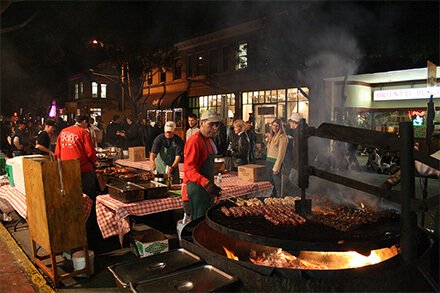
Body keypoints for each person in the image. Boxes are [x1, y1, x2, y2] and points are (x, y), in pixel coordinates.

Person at [183, 110, 222, 220]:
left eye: (217, 124)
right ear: (201, 124)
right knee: (196, 226)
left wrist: (213, 189)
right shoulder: (194, 141)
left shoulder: (208, 140)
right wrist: (206, 183)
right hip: (195, 192)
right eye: (211, 124)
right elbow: (189, 170)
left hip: (205, 191)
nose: (214, 128)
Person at [55, 114, 97, 198]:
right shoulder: (83, 132)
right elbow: (90, 152)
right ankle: (89, 210)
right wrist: (95, 161)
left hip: (66, 168)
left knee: (72, 194)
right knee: (88, 195)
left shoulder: (63, 131)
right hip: (83, 169)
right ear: (84, 122)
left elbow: (57, 153)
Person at [266, 118, 288, 197]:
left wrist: (277, 166)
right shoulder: (273, 136)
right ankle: (273, 201)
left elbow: (281, 154)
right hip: (269, 161)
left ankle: (279, 201)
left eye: (277, 126)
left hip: (275, 162)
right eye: (274, 125)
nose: (275, 127)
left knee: (278, 185)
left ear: (280, 127)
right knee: (271, 185)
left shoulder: (282, 137)